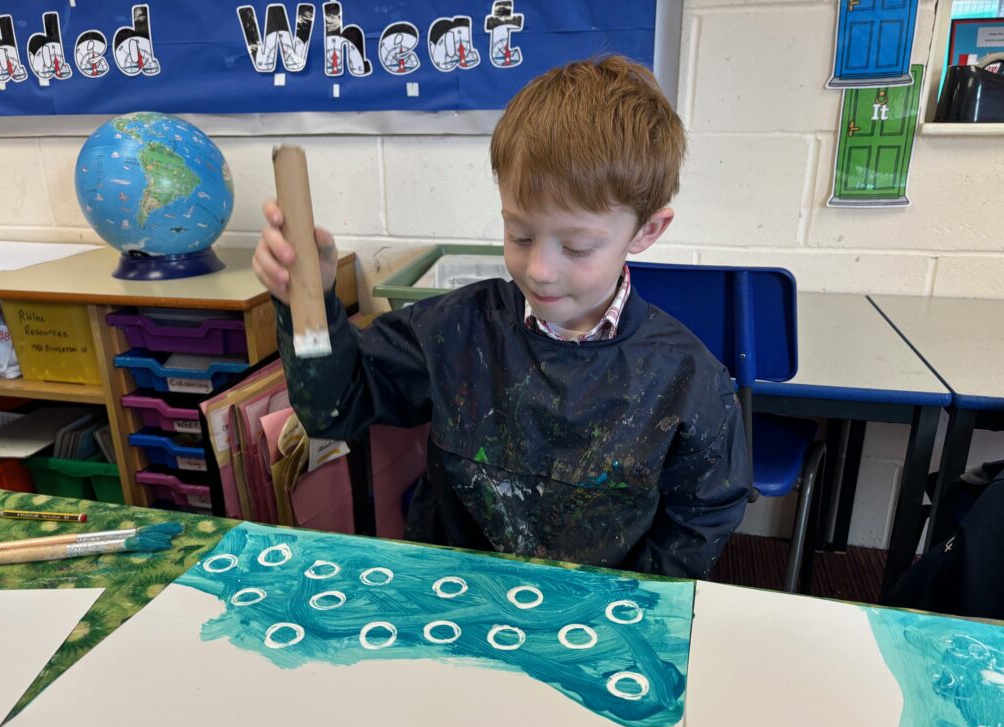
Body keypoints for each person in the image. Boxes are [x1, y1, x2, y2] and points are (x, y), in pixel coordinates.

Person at [253, 55, 750, 578]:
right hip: (453, 602)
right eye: (520, 235)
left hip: (594, 622)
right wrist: (306, 304)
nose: (539, 270)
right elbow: (333, 410)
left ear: (646, 231)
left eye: (577, 247)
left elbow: (703, 513)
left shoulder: (688, 379)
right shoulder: (457, 329)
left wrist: (635, 603)